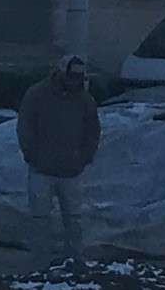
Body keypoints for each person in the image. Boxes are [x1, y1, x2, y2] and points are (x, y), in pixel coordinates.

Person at [15, 53, 103, 270]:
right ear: (61, 73)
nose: (75, 82)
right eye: (72, 77)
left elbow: (92, 131)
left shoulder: (85, 100)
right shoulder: (37, 95)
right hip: (41, 169)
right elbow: (25, 126)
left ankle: (75, 261)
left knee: (74, 219)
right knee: (40, 219)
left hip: (71, 170)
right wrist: (32, 155)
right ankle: (39, 264)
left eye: (79, 78)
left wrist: (84, 157)